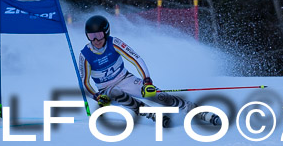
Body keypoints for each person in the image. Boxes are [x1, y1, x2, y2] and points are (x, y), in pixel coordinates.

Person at [78, 15, 221, 126]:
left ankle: (198, 112)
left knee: (160, 96)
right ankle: (152, 114)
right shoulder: (85, 55)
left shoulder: (114, 43)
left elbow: (136, 59)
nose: (96, 40)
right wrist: (96, 97)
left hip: (125, 79)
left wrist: (147, 81)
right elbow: (84, 83)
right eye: (91, 36)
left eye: (99, 35)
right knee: (116, 93)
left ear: (106, 32)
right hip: (106, 91)